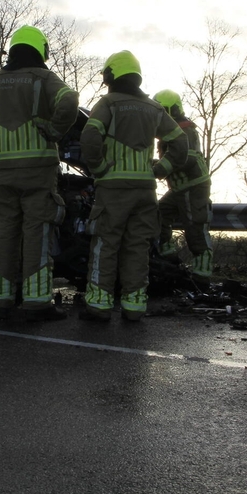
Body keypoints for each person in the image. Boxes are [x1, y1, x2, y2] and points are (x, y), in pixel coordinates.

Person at [0, 26, 79, 321]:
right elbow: (69, 101)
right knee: (37, 231)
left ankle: (0, 298)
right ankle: (37, 302)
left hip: (5, 171)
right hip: (38, 170)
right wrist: (53, 131)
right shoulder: (43, 78)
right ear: (41, 49)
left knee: (6, 233)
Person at [78, 52, 189, 322]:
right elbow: (180, 142)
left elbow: (90, 135)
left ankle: (99, 304)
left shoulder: (109, 103)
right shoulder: (154, 108)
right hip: (145, 191)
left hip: (113, 189)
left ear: (111, 76)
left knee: (106, 243)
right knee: (137, 247)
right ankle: (134, 306)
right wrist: (160, 169)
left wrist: (99, 168)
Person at [153, 89, 214, 284]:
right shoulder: (169, 133)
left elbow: (183, 158)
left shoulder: (185, 131)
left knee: (195, 227)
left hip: (194, 187)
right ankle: (168, 256)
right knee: (159, 212)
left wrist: (157, 169)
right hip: (179, 189)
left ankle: (202, 276)